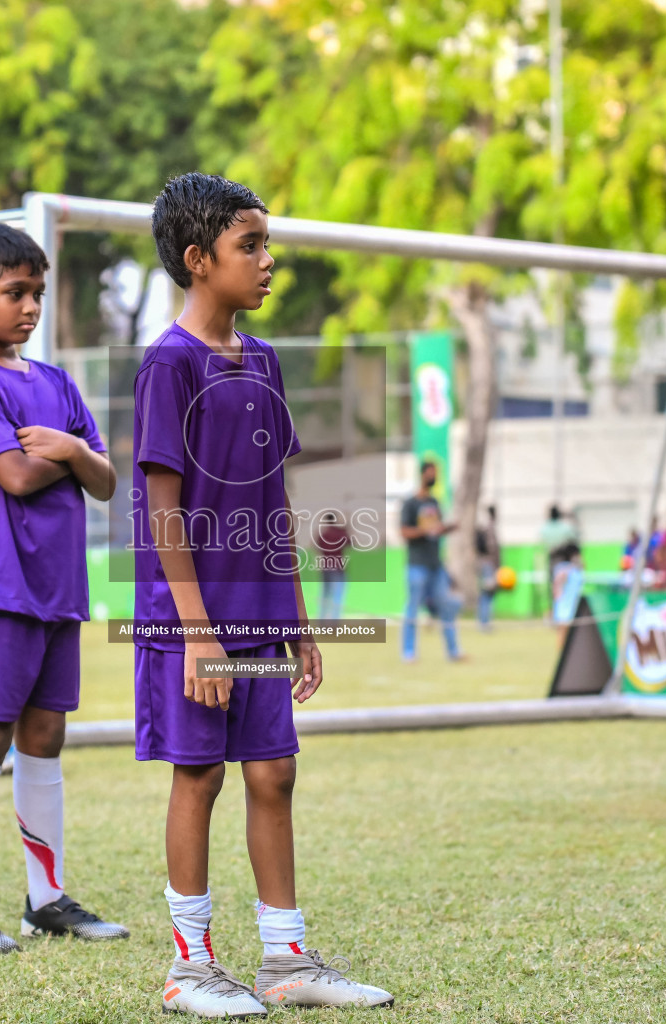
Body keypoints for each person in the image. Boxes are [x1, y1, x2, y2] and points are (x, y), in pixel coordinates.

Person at [132, 172, 393, 1017]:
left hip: (261, 618)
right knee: (199, 776)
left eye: (267, 242)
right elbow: (162, 512)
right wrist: (199, 635)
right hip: (192, 624)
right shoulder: (168, 366)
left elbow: (273, 500)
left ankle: (285, 961)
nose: (269, 259)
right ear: (199, 259)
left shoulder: (265, 361)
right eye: (251, 245)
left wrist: (301, 623)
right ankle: (190, 967)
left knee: (274, 774)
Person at [0, 224, 128, 955]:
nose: (30, 307)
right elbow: (10, 476)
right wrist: (68, 456)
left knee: (46, 736)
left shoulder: (55, 383)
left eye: (37, 293)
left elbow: (106, 480)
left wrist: (71, 449)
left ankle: (46, 900)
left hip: (58, 584)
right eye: (14, 293)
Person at [400, 459, 465, 662]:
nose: (434, 477)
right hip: (417, 565)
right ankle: (408, 653)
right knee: (412, 608)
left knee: (446, 607)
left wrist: (449, 528)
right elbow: (405, 532)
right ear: (423, 474)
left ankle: (453, 651)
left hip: (436, 565)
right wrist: (425, 530)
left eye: (436, 473)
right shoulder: (411, 503)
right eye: (431, 473)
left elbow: (436, 531)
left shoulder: (435, 503)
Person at [314, 510, 350, 622]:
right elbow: (350, 543)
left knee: (325, 595)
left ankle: (321, 621)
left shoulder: (323, 534)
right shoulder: (340, 533)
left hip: (326, 567)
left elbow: (317, 547)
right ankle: (334, 623)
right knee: (337, 596)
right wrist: (346, 529)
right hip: (338, 568)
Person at [550, 541, 585, 640]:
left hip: (565, 606)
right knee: (564, 636)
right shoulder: (569, 569)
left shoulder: (561, 568)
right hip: (567, 607)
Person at [475, 504, 502, 630]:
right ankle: (484, 623)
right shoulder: (490, 527)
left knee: (485, 594)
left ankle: (484, 621)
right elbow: (492, 548)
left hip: (483, 564)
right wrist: (498, 564)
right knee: (487, 594)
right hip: (489, 565)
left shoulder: (484, 527)